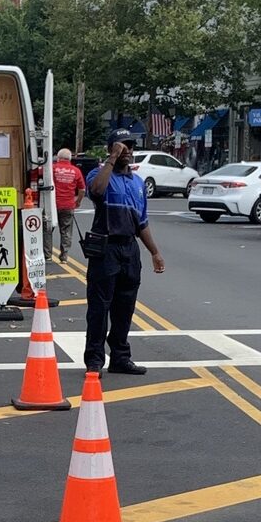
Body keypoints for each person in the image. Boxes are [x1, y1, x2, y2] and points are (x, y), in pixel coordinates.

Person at [84, 141, 164, 376]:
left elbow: (142, 222)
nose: (126, 151)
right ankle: (95, 360)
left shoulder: (137, 183)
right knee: (99, 307)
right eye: (121, 147)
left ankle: (120, 357)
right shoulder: (99, 175)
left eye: (129, 147)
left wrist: (155, 252)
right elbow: (97, 191)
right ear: (111, 150)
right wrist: (112, 158)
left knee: (125, 308)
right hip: (105, 249)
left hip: (129, 250)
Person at [52, 147, 86, 261]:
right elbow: (82, 190)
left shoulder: (52, 168)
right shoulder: (76, 171)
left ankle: (46, 254)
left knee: (47, 230)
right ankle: (64, 255)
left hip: (52, 205)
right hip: (68, 205)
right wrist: (78, 202)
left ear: (58, 157)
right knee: (66, 231)